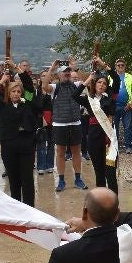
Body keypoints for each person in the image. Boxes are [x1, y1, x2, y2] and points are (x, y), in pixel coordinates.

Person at [0, 66, 46, 206]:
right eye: (13, 91)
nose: (16, 93)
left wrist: (17, 69)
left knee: (27, 178)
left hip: (26, 143)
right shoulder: (2, 105)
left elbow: (29, 87)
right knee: (13, 179)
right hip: (9, 145)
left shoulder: (28, 103)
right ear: (8, 92)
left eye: (19, 91)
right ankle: (16, 206)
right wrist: (1, 81)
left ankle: (29, 207)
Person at [48, 62, 89, 192]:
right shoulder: (55, 87)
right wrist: (51, 69)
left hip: (75, 122)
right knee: (60, 152)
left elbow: (88, 78)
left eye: (68, 71)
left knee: (77, 151)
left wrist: (75, 67)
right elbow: (44, 85)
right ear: (59, 74)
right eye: (64, 72)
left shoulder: (76, 85)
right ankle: (61, 180)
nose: (66, 73)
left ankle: (78, 179)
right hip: (60, 124)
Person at [81, 68, 120, 194]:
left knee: (111, 174)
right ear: (95, 83)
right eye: (99, 82)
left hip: (109, 139)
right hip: (94, 139)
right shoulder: (89, 100)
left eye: (104, 83)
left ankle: (114, 205)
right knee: (99, 174)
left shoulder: (110, 97)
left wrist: (105, 65)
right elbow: (74, 95)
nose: (101, 85)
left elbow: (117, 79)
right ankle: (102, 204)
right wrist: (87, 80)